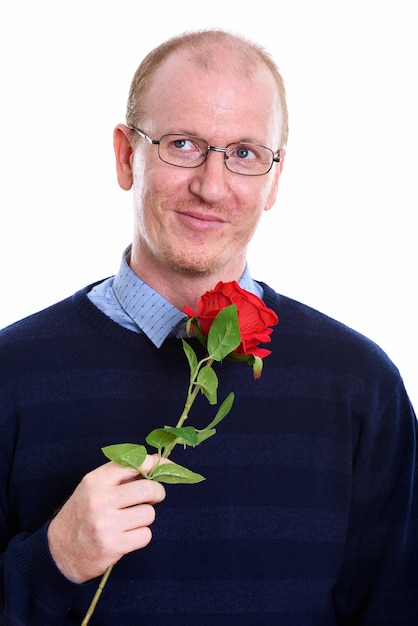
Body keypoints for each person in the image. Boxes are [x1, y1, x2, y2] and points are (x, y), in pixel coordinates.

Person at [0, 28, 417, 626]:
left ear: (274, 179)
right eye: (182, 144)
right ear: (125, 156)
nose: (211, 185)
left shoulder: (360, 385)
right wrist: (51, 562)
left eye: (245, 153)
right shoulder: (11, 375)